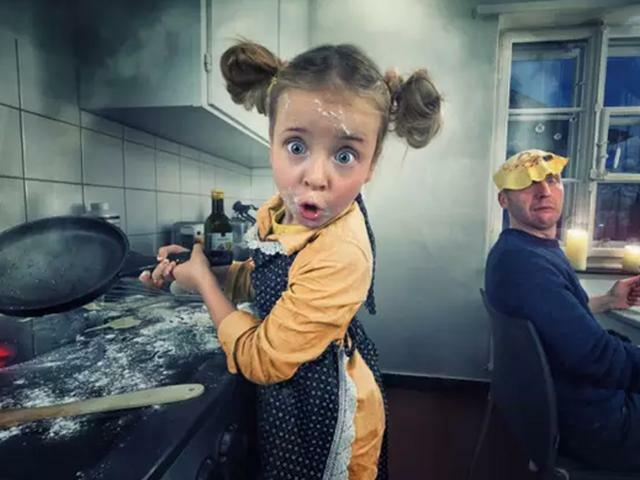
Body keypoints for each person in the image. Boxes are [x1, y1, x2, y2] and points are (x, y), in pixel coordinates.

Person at [141, 41, 442, 479]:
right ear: (272, 144)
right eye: (296, 147)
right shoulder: (285, 212)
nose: (315, 177)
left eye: (345, 156)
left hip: (320, 410)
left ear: (372, 164)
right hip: (293, 391)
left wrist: (205, 283)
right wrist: (207, 269)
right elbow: (274, 280)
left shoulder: (342, 251)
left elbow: (262, 359)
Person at [485, 149, 640, 471]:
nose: (544, 191)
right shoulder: (525, 264)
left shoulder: (526, 249)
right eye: (527, 182)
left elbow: (552, 322)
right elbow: (596, 358)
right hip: (599, 423)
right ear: (503, 200)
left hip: (579, 406)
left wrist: (607, 301)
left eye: (552, 179)